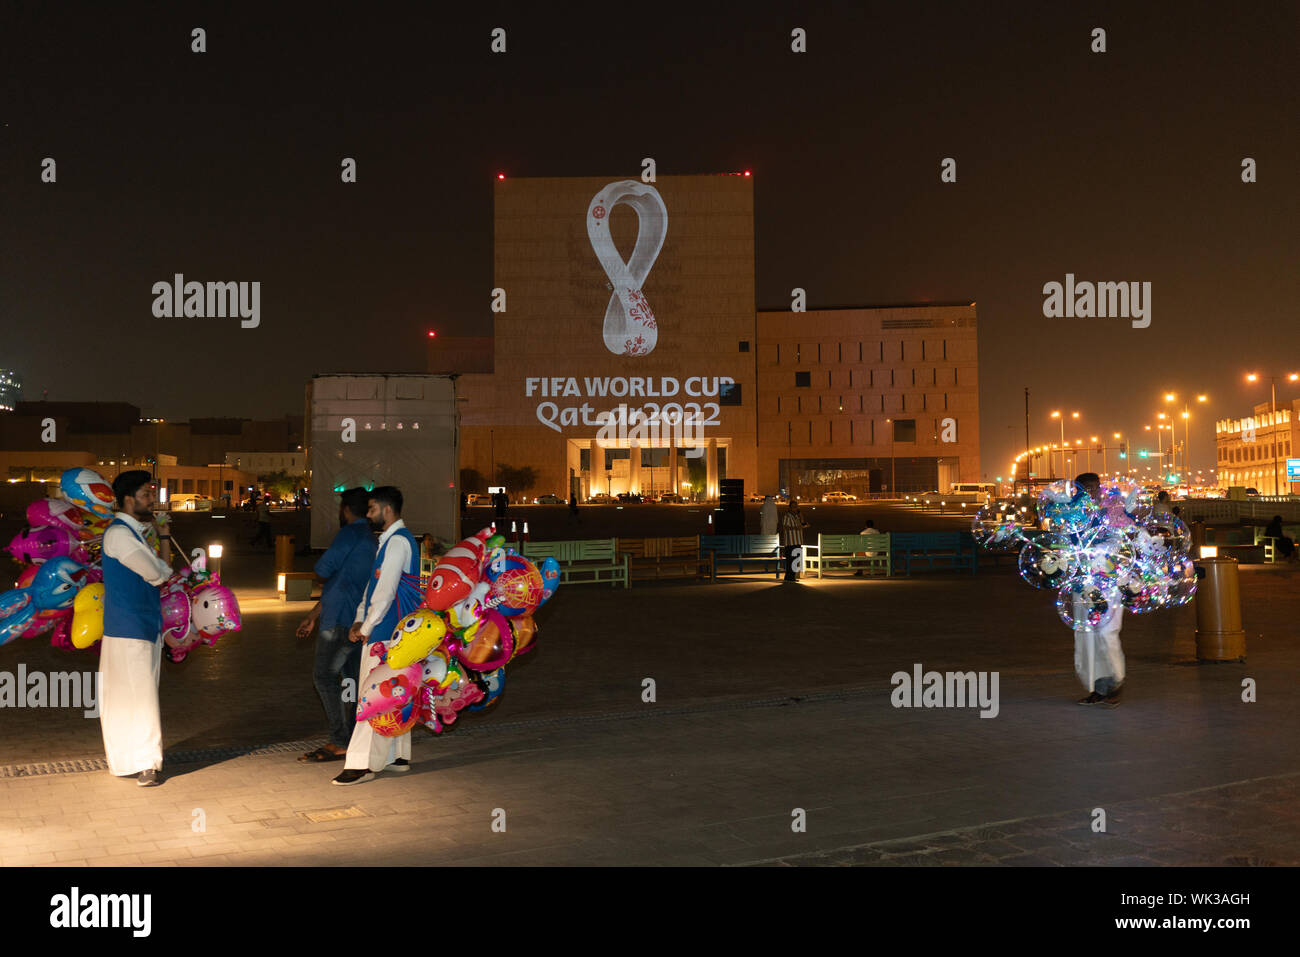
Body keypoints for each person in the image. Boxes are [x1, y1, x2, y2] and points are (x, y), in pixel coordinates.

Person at [333, 486, 425, 785]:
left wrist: (367, 627)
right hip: (393, 630)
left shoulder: (396, 543)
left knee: (372, 698)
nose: (368, 514)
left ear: (387, 510)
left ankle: (361, 765)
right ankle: (398, 757)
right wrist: (361, 619)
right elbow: (373, 589)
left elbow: (384, 593)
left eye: (372, 509)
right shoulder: (391, 541)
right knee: (396, 692)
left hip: (387, 632)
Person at [99, 470, 174, 786]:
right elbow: (157, 572)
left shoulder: (132, 533)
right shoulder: (119, 534)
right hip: (131, 627)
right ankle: (143, 763)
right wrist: (163, 547)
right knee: (134, 695)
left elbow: (161, 571)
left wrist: (163, 536)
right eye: (146, 494)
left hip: (135, 626)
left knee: (127, 694)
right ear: (128, 499)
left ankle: (134, 760)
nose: (151, 500)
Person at [295, 488, 376, 763]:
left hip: (339, 621)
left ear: (346, 509)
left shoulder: (350, 534)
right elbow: (342, 582)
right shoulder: (370, 539)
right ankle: (352, 736)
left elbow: (323, 570)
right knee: (351, 680)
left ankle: (340, 739)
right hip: (353, 620)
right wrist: (313, 615)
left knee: (324, 677)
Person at [1072, 472, 1124, 707]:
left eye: (1094, 488)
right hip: (1081, 583)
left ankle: (1114, 680)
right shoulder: (1071, 515)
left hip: (1107, 580)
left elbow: (1118, 541)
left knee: (1106, 631)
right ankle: (1096, 689)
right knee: (1086, 637)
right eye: (1085, 489)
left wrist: (1094, 553)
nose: (1091, 492)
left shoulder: (1112, 512)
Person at [779, 498, 809, 582]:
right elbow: (785, 527)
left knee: (796, 559)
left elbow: (800, 525)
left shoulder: (797, 516)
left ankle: (792, 577)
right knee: (790, 560)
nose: (795, 509)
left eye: (796, 507)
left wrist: (802, 518)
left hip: (798, 540)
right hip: (790, 542)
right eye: (793, 507)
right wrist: (796, 528)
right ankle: (788, 577)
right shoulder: (787, 516)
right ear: (789, 508)